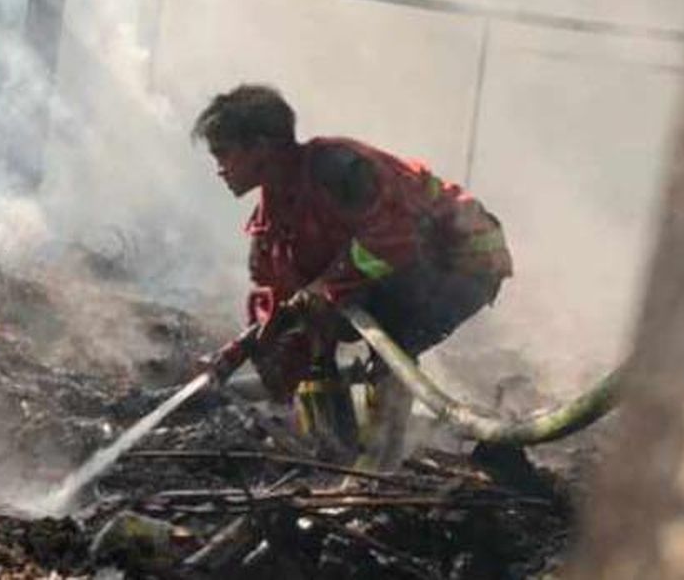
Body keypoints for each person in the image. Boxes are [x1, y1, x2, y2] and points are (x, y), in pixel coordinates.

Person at [195, 84, 513, 466]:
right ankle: (334, 457)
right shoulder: (273, 220)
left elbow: (395, 238)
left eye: (224, 154)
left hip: (464, 258)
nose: (219, 169)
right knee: (310, 335)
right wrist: (237, 356)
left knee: (392, 343)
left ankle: (379, 470)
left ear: (261, 147)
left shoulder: (340, 169)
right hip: (409, 270)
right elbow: (281, 303)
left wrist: (325, 287)